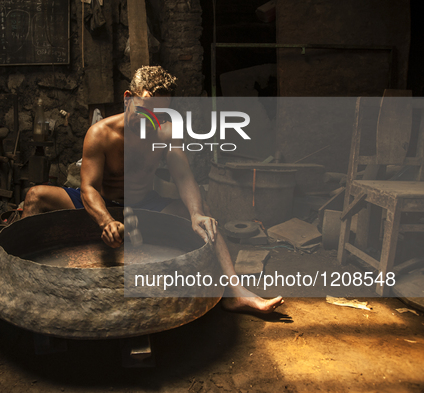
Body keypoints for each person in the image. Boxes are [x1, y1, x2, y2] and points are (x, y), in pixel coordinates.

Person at [22, 66, 283, 313]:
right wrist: (105, 221)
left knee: (205, 217)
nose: (150, 119)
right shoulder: (100, 133)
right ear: (128, 98)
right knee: (35, 196)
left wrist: (195, 213)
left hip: (143, 204)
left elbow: (183, 176)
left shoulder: (165, 133)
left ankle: (235, 293)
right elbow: (88, 187)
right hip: (100, 204)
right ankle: (18, 284)